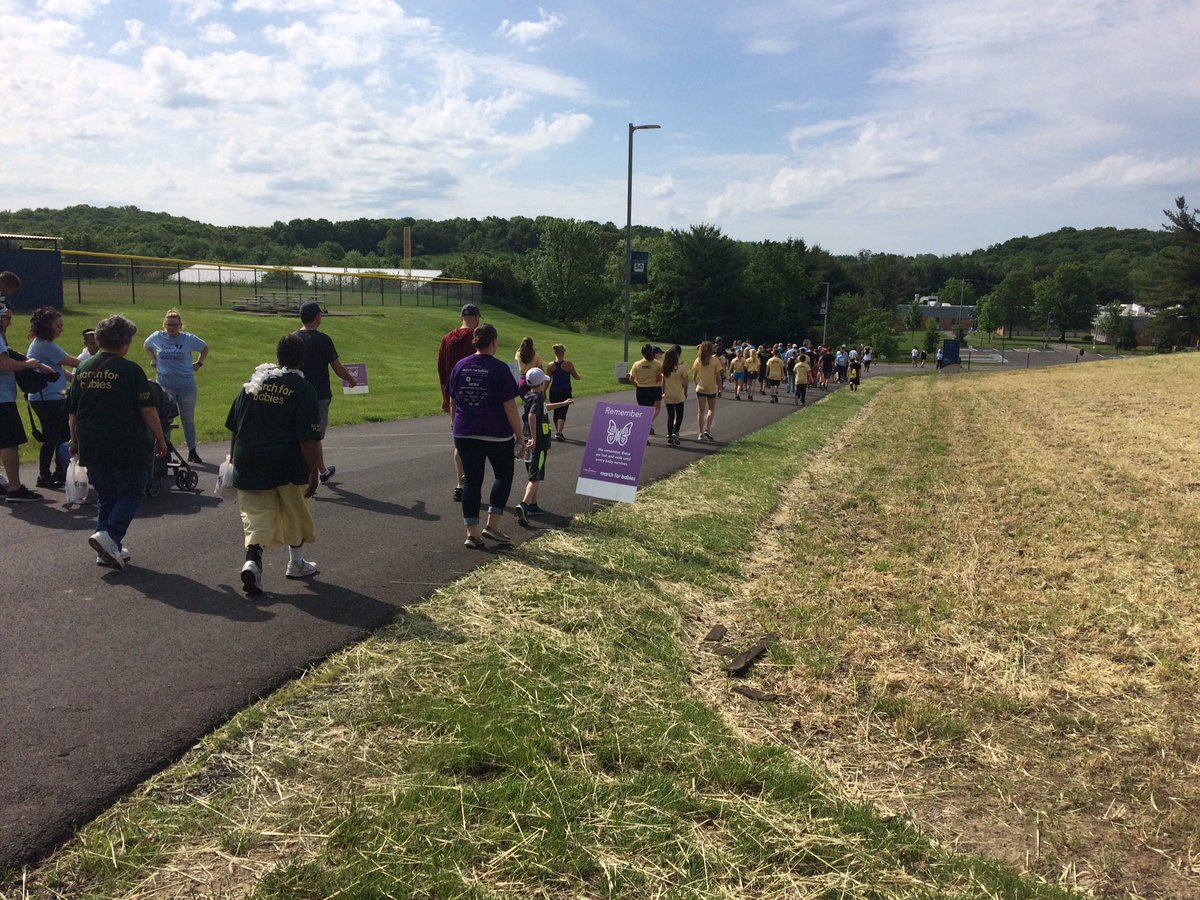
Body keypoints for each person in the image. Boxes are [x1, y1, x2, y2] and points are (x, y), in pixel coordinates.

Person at [67, 315, 168, 568]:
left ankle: (108, 549)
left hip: (91, 440)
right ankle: (109, 535)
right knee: (133, 489)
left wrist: (73, 439)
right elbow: (148, 410)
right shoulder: (130, 370)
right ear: (125, 341)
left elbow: (73, 411)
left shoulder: (83, 368)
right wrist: (160, 438)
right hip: (124, 441)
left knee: (106, 494)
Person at [226, 334, 323, 595]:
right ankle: (296, 563)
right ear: (302, 359)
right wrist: (314, 472)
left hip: (249, 461)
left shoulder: (253, 383)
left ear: (278, 356)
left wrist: (233, 457)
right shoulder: (303, 389)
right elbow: (307, 437)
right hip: (286, 464)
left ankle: (252, 560)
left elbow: (235, 426)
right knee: (294, 512)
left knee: (257, 516)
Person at [448, 323, 530, 548]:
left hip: (465, 430)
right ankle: (492, 525)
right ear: (493, 342)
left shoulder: (460, 366)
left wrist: (455, 426)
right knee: (503, 475)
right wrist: (520, 438)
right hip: (495, 433)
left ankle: (471, 533)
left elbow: (453, 401)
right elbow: (510, 407)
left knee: (472, 481)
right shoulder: (499, 368)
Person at [0, 276, 56, 503]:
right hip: (2, 398)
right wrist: (29, 365)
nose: (9, 323)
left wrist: (36, 364)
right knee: (9, 442)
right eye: (7, 318)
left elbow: (10, 354)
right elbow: (4, 364)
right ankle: (15, 488)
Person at [294, 301, 356, 485]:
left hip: (297, 395)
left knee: (310, 435)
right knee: (314, 436)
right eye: (320, 314)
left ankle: (322, 471)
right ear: (316, 318)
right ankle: (308, 473)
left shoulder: (293, 339)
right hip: (318, 396)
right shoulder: (323, 340)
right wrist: (351, 380)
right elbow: (336, 367)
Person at [144, 308, 209, 463]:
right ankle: (165, 451)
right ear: (164, 325)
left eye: (174, 325)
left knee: (187, 419)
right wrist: (153, 359)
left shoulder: (188, 339)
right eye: (168, 325)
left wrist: (199, 363)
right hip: (165, 385)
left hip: (186, 385)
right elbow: (147, 345)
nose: (171, 328)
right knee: (166, 419)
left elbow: (204, 347)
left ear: (180, 325)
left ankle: (192, 450)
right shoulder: (157, 337)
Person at [26, 306, 82, 488]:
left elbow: (60, 369)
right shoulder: (45, 344)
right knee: (52, 437)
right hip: (47, 399)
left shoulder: (43, 344)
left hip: (52, 398)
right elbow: (72, 361)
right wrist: (98, 365)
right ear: (46, 327)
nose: (61, 329)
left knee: (63, 435)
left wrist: (74, 378)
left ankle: (60, 471)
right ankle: (44, 475)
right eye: (58, 326)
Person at [514, 367, 572, 524]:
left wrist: (562, 404)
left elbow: (545, 409)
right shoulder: (538, 398)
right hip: (537, 443)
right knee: (536, 476)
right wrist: (534, 438)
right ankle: (524, 505)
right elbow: (533, 415)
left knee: (532, 473)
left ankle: (533, 505)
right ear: (541, 383)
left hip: (528, 440)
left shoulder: (529, 396)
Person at [438, 303, 481, 501]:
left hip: (453, 395)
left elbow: (442, 370)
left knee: (459, 440)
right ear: (477, 318)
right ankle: (471, 484)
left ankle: (460, 483)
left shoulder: (447, 339)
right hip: (475, 395)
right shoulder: (477, 338)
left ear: (460, 317)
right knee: (477, 443)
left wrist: (444, 398)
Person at [545, 343, 580, 441]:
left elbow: (547, 379)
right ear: (563, 352)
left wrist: (543, 390)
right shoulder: (568, 364)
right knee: (563, 411)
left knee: (556, 409)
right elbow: (575, 376)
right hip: (565, 390)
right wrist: (579, 377)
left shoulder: (550, 365)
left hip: (554, 390)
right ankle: (559, 432)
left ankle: (557, 431)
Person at [628, 343, 663, 441]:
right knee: (650, 412)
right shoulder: (657, 364)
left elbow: (631, 378)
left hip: (641, 390)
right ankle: (645, 432)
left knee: (643, 412)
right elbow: (660, 377)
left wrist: (637, 385)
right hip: (653, 389)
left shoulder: (637, 364)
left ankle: (643, 434)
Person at [691, 340, 721, 441]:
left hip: (701, 388)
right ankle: (707, 429)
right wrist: (720, 387)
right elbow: (718, 376)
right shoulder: (715, 360)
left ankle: (700, 433)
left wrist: (696, 384)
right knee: (711, 409)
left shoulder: (698, 360)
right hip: (711, 388)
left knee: (701, 411)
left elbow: (694, 376)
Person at [660, 347, 688, 445]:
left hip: (668, 394)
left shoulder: (664, 368)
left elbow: (663, 382)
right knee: (679, 414)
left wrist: (663, 392)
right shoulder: (681, 368)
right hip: (678, 394)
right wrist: (685, 391)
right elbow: (685, 382)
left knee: (670, 416)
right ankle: (676, 431)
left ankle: (669, 434)